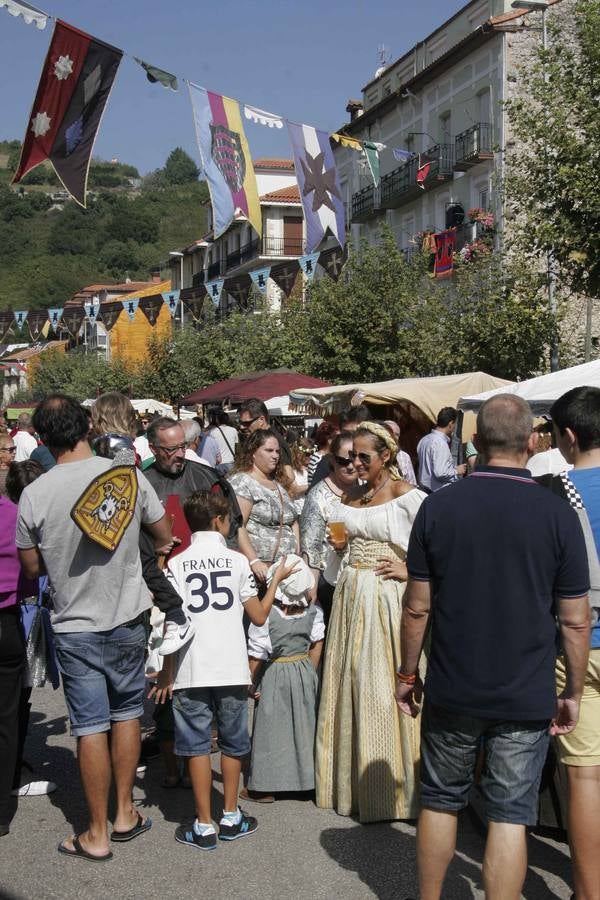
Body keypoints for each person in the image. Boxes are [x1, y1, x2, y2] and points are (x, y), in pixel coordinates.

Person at [396, 394, 590, 900]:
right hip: (525, 688)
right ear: (532, 442)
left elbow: (417, 607)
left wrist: (406, 673)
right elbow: (574, 619)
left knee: (440, 800)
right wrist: (570, 688)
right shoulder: (558, 513)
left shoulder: (438, 506)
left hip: (454, 682)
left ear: (476, 442)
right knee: (510, 813)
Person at [15, 395, 174, 862]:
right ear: (87, 426)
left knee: (89, 726)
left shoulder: (35, 492)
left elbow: (30, 567)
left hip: (75, 623)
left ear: (42, 439)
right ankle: (125, 813)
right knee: (126, 714)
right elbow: (163, 534)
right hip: (127, 615)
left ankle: (96, 833)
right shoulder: (125, 477)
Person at [153, 490, 299, 851]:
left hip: (191, 668)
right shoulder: (236, 562)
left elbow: (171, 623)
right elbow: (260, 616)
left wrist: (166, 672)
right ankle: (231, 815)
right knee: (234, 743)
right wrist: (276, 580)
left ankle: (203, 824)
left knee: (197, 746)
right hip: (232, 667)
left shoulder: (176, 563)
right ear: (220, 520)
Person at [315, 422, 426, 822]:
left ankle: (395, 790)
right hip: (350, 594)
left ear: (387, 456)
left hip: (386, 597)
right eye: (350, 456)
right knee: (351, 680)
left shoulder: (406, 495)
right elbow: (336, 555)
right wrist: (339, 548)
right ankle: (354, 786)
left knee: (380, 683)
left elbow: (436, 545)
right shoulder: (351, 495)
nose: (356, 463)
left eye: (364, 456)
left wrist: (410, 568)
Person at [542, 386, 600, 900]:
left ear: (569, 435)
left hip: (579, 642)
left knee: (585, 779)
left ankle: (588, 891)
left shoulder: (554, 491)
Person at [90, 393, 192, 656]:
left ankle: (175, 614)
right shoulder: (119, 443)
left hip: (118, 511)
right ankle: (174, 612)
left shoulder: (106, 443)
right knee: (146, 561)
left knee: (146, 561)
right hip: (125, 509)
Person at [245, 554, 324, 801]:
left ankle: (265, 786)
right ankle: (307, 782)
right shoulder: (314, 612)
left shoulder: (266, 617)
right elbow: (316, 642)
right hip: (301, 667)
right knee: (303, 725)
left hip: (274, 671)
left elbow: (257, 655)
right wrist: (309, 671)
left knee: (271, 728)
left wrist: (250, 683)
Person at [144, 417, 241, 547]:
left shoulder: (207, 478)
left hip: (205, 562)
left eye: (183, 446)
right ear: (154, 449)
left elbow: (232, 526)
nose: (180, 454)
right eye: (172, 449)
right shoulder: (142, 483)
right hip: (158, 565)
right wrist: (153, 547)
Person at [229, 430, 299, 587]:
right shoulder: (242, 482)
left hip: (287, 570)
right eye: (269, 450)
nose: (275, 455)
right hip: (261, 573)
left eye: (277, 451)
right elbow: (238, 526)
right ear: (253, 453)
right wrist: (254, 561)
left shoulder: (279, 484)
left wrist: (298, 557)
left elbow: (293, 522)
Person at [300, 431, 358, 623]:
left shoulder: (367, 487)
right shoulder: (318, 496)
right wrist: (312, 586)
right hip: (330, 581)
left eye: (355, 459)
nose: (350, 466)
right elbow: (311, 548)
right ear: (332, 461)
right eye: (343, 461)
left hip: (361, 578)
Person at [416, 407, 466, 492]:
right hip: (437, 492)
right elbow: (440, 473)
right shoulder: (440, 443)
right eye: (455, 424)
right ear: (450, 424)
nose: (454, 428)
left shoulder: (424, 440)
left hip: (425, 490)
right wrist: (456, 470)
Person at [237, 398, 293, 473]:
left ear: (261, 420)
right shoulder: (259, 439)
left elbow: (288, 476)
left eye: (246, 423)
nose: (241, 427)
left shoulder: (275, 442)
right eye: (240, 423)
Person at [383, 420, 417, 485]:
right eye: (390, 433)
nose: (394, 437)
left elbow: (412, 483)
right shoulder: (373, 454)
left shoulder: (404, 456)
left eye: (397, 434)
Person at [207, 409, 239, 474]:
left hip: (218, 463)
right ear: (228, 420)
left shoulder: (212, 432)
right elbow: (237, 446)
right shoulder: (233, 430)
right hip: (230, 462)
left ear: (218, 420)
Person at [306, 422, 338, 487]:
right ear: (329, 440)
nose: (340, 441)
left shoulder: (333, 456)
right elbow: (312, 483)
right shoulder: (317, 457)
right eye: (337, 438)